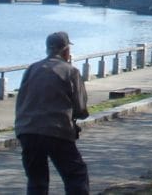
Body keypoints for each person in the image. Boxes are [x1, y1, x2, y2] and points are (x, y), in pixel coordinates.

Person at [15, 31, 90, 194]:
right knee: (76, 175)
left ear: (47, 50)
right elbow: (81, 109)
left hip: (27, 130)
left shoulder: (32, 69)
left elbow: (21, 101)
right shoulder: (71, 71)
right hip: (57, 130)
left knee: (37, 180)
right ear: (66, 51)